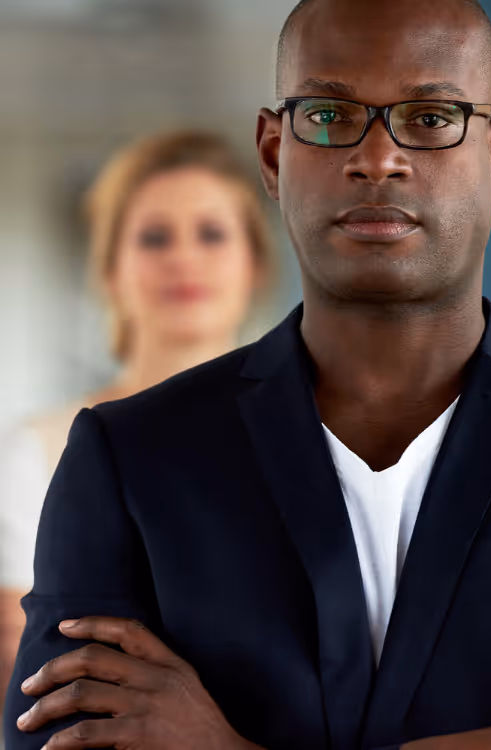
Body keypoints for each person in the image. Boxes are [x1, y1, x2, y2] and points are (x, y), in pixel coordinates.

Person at [4, 1, 491, 748]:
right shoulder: (127, 459)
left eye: (429, 118)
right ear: (272, 153)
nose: (378, 157)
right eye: (329, 115)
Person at [0, 130, 273, 715]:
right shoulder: (40, 448)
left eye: (212, 234)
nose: (184, 258)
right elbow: (26, 667)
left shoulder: (319, 437)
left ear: (255, 264)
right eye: (154, 237)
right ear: (108, 270)